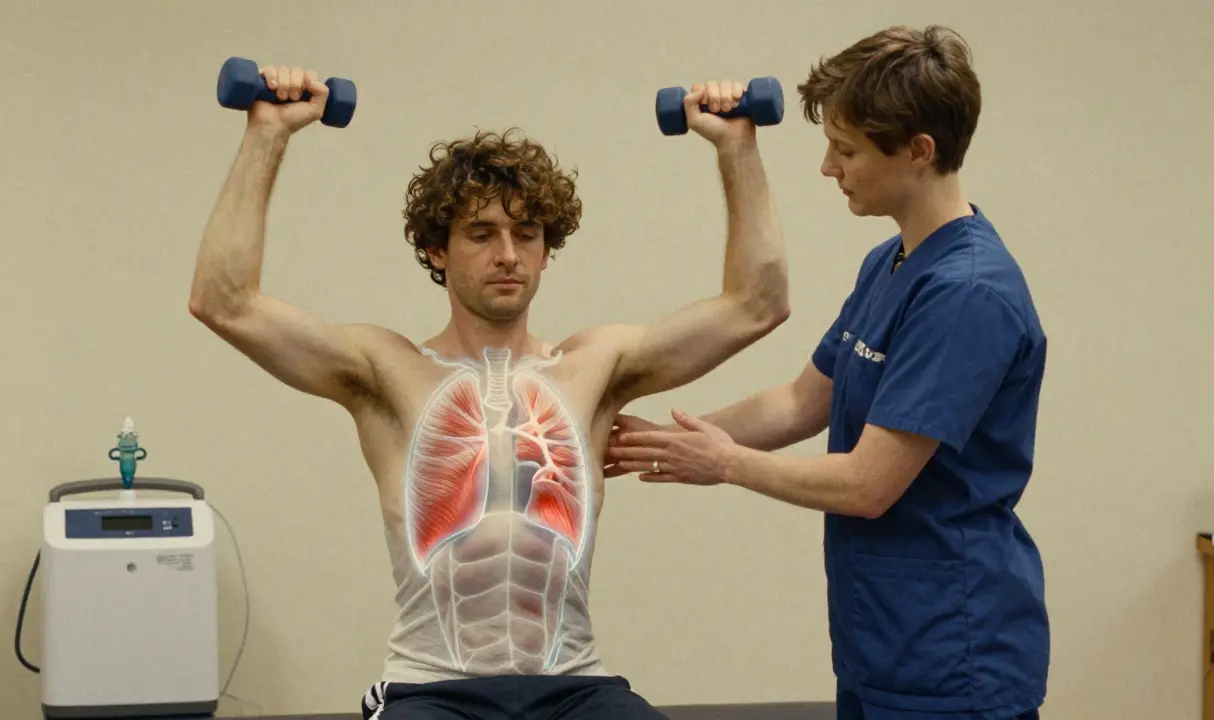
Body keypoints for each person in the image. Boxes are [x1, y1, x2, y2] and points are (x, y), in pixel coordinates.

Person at [188, 65, 789, 720]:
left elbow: (756, 304)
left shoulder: (598, 366)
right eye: (481, 234)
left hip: (573, 684)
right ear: (436, 251)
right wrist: (267, 134)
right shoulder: (382, 370)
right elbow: (225, 303)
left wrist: (738, 148)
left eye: (526, 235)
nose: (508, 254)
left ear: (544, 250)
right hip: (432, 689)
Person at [605, 25, 1049, 720]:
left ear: (919, 152)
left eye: (846, 151)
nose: (827, 168)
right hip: (882, 644)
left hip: (953, 659)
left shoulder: (967, 293)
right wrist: (656, 442)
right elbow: (799, 402)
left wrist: (724, 464)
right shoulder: (892, 263)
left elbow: (870, 483)